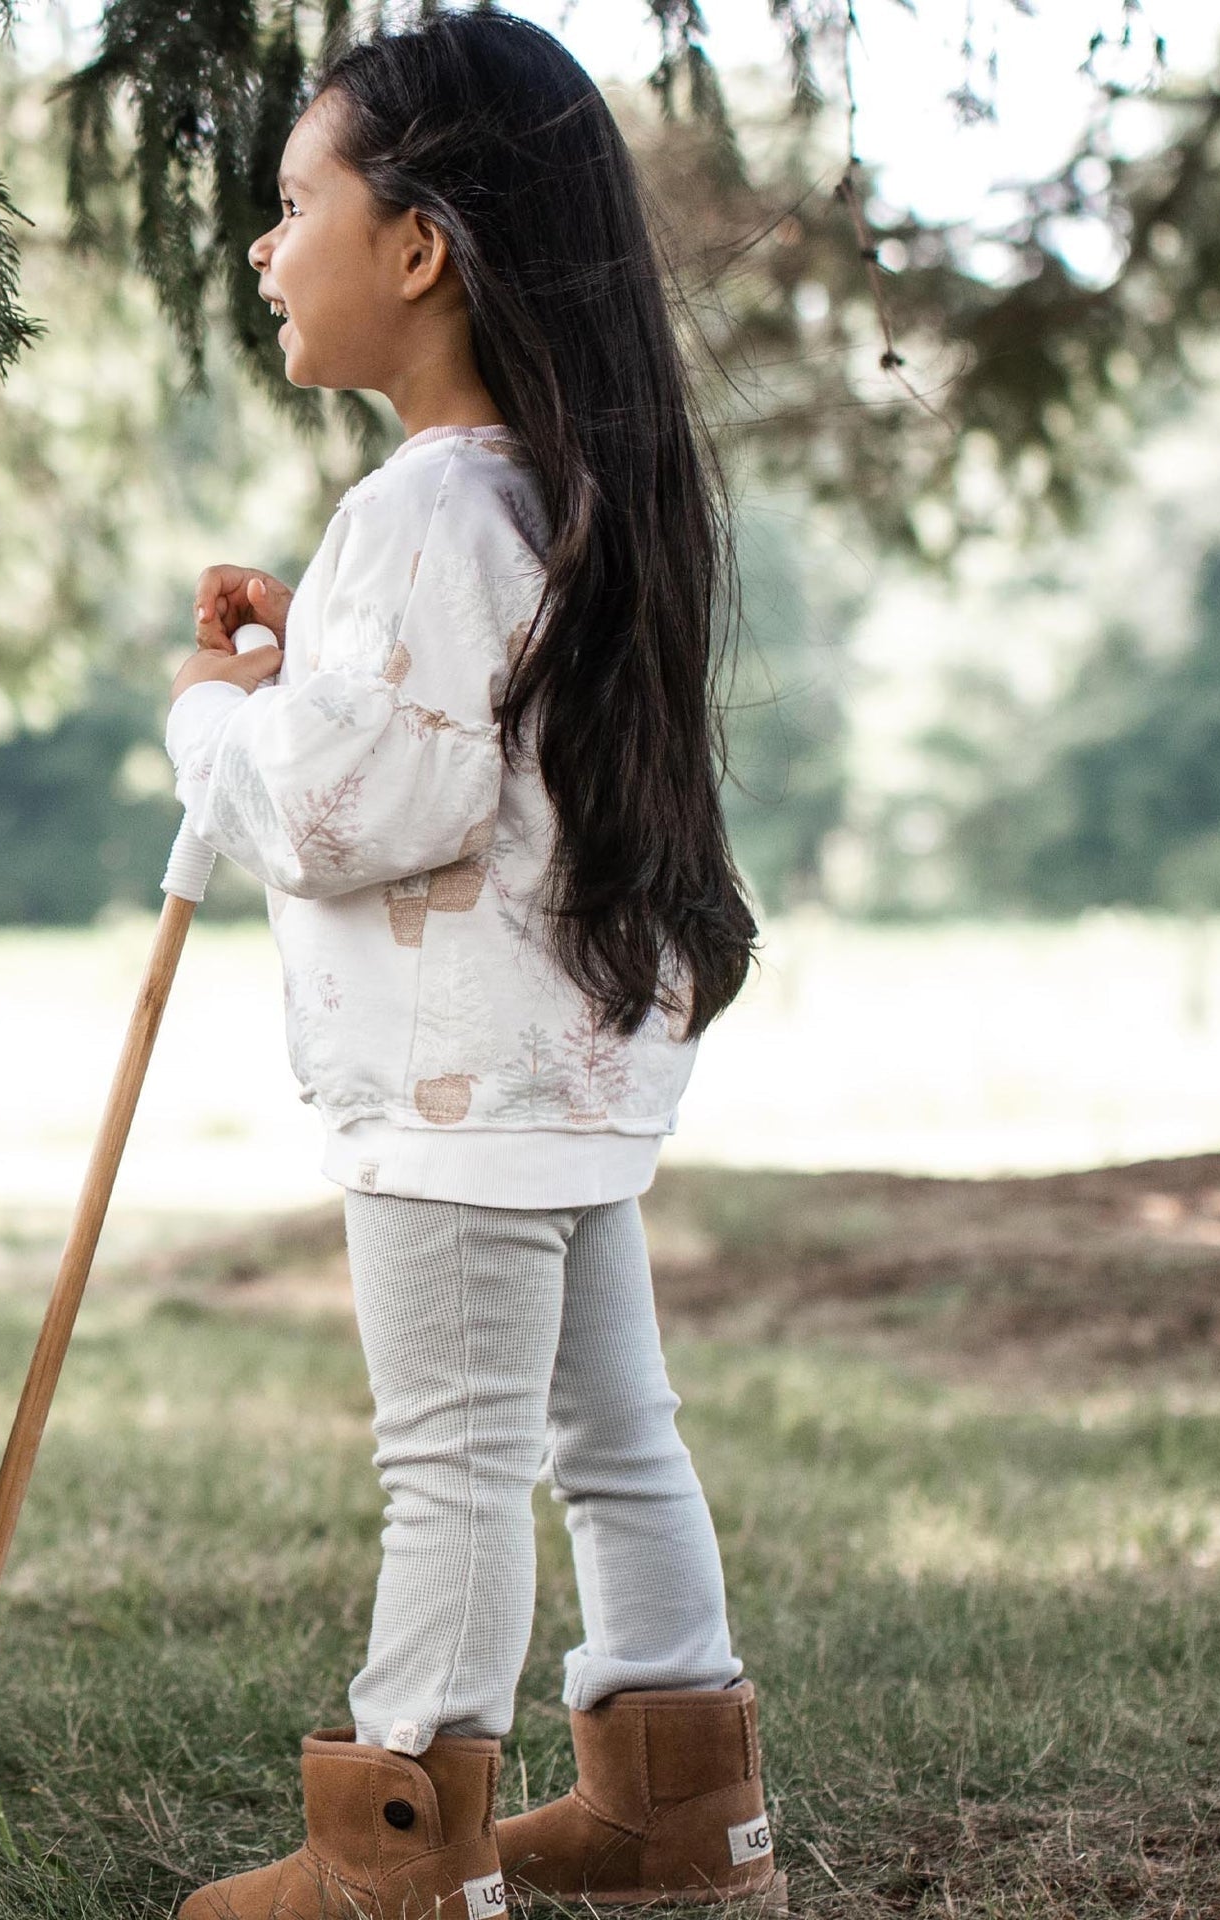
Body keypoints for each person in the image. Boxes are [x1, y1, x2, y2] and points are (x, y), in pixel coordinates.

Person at [164, 12, 777, 1919]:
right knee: (612, 1435)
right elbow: (452, 742)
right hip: (559, 1085)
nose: (264, 251)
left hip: (451, 1100)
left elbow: (356, 809)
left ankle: (397, 1862)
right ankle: (684, 1811)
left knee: (448, 1460)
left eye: (292, 206)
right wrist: (319, 652)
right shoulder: (549, 489)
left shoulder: (426, 502)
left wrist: (212, 721)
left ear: (419, 247)